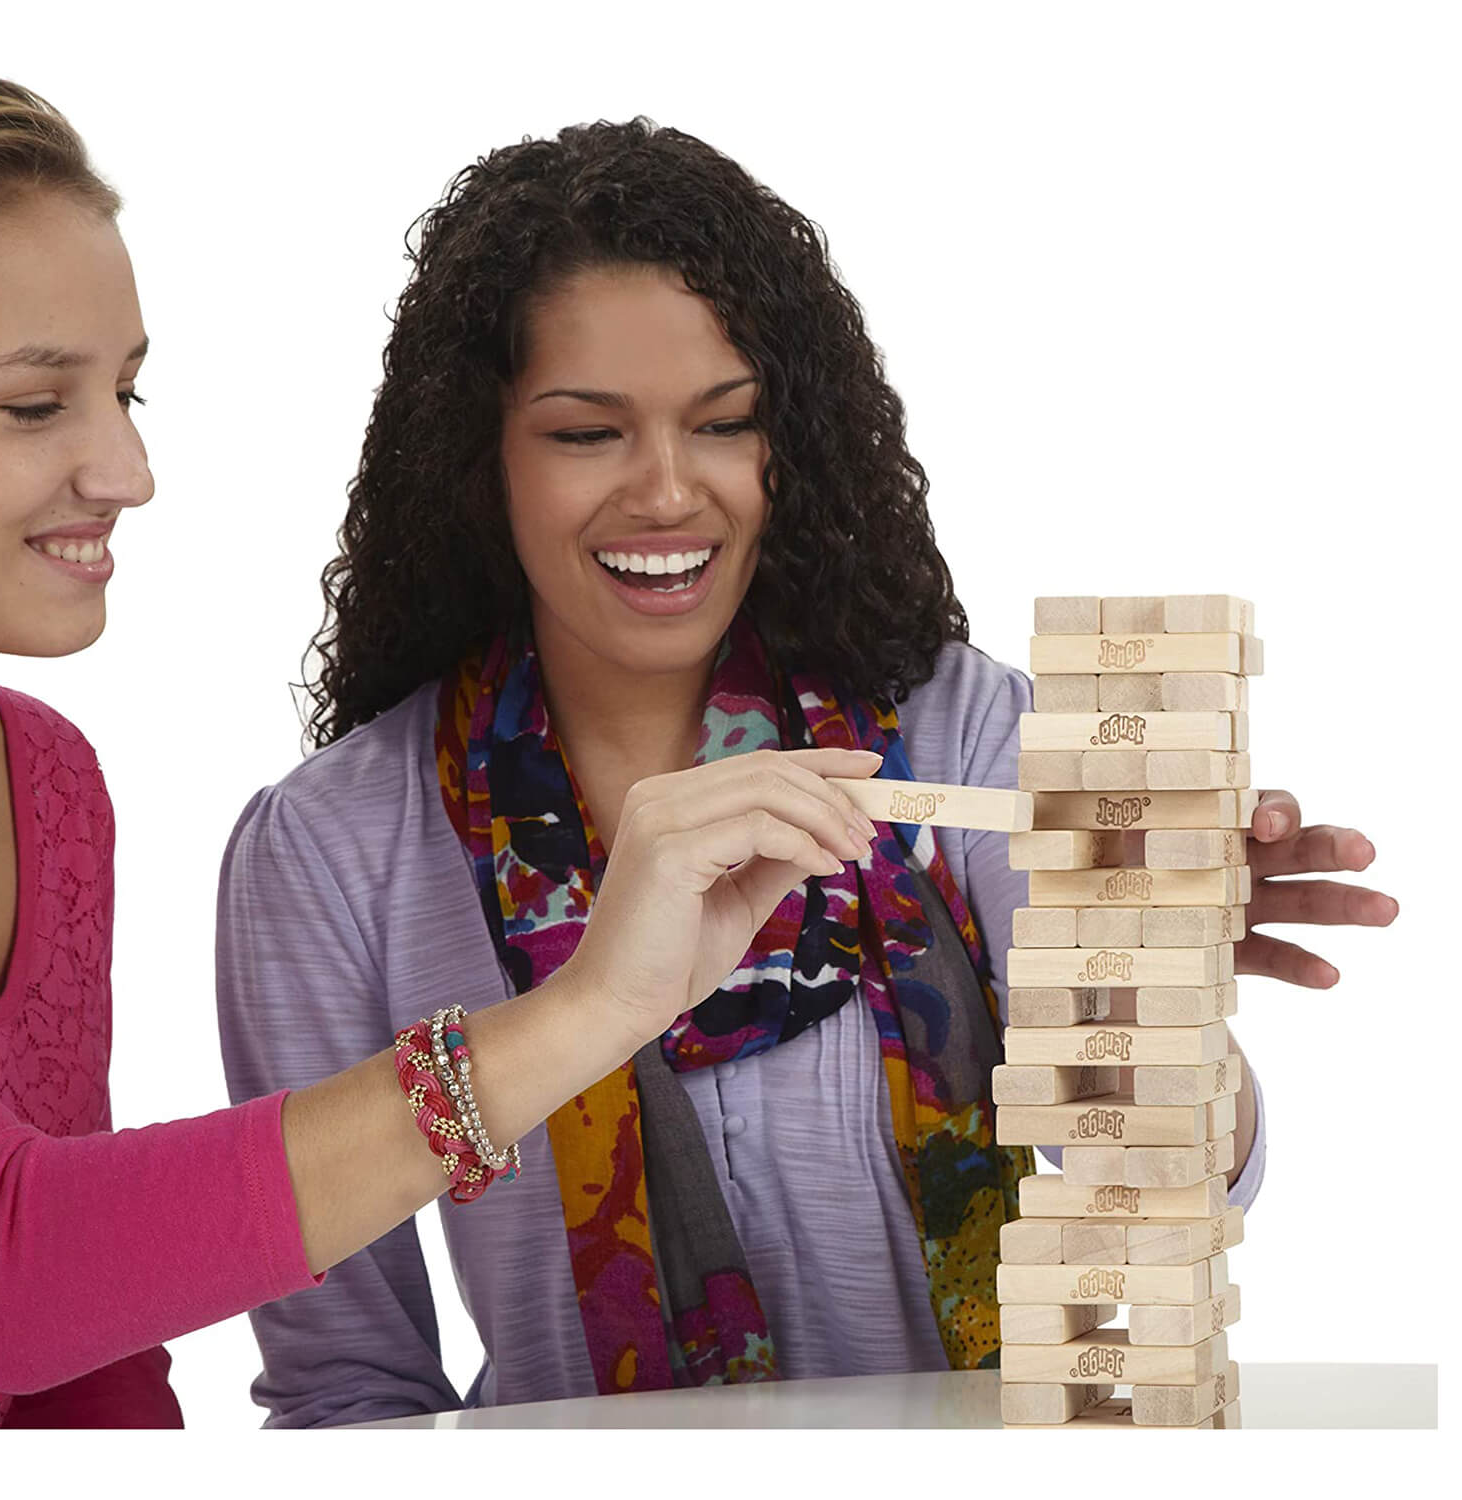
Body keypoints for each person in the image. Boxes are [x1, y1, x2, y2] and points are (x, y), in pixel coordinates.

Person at [215, 117, 1399, 1425]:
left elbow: (1168, 1178)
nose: (670, 491)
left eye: (727, 424)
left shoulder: (958, 731)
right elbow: (346, 1390)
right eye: (584, 435)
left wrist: (1154, 988)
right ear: (475, 460)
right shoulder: (327, 853)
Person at [0, 80, 839, 1429]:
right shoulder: (331, 844)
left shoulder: (45, 781)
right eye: (32, 407)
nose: (128, 470)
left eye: (130, 392)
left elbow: (86, 1356)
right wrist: (585, 1014)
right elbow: (8, 1272)